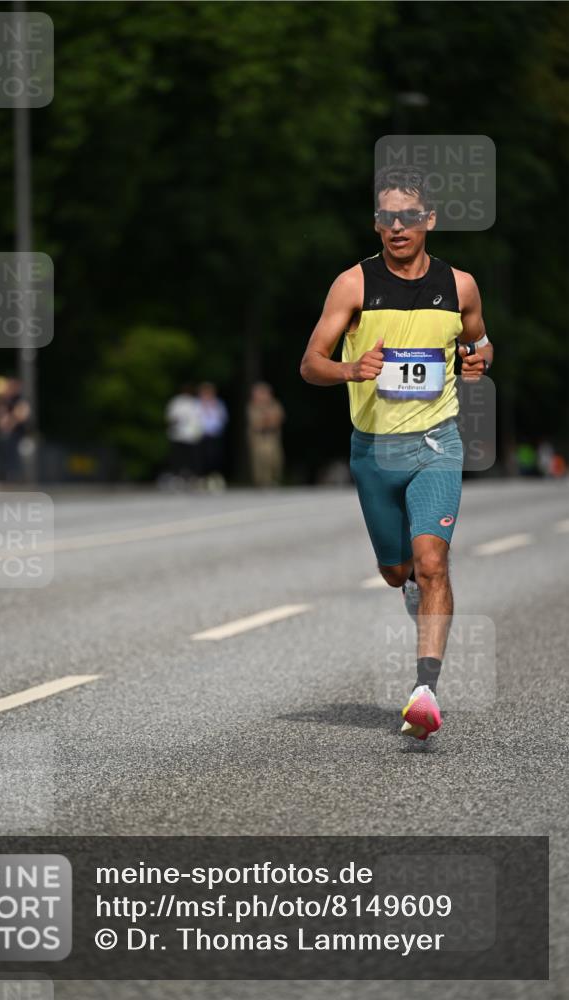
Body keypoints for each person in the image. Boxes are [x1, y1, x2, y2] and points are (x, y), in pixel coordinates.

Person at [300, 164, 494, 742]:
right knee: (396, 571)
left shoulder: (459, 285)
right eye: (388, 217)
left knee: (434, 562)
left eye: (410, 216)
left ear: (429, 220)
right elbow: (310, 362)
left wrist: (479, 361)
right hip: (374, 452)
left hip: (438, 442)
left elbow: (479, 343)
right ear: (377, 223)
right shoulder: (353, 285)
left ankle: (424, 690)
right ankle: (408, 583)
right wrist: (349, 368)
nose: (399, 227)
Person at [247, 382, 285, 487]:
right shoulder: (253, 406)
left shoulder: (274, 404)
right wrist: (268, 420)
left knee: (275, 459)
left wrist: (268, 420)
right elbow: (257, 423)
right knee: (260, 459)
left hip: (272, 436)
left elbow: (278, 419)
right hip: (259, 437)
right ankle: (262, 481)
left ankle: (274, 479)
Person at [165, 384, 203, 485]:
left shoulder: (194, 403)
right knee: (178, 458)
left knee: (191, 459)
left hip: (190, 436)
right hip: (178, 436)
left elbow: (198, 420)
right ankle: (177, 477)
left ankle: (192, 477)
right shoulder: (176, 402)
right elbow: (171, 418)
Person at [197, 382, 228, 490]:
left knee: (215, 457)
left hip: (215, 434)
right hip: (201, 435)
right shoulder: (197, 404)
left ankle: (215, 478)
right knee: (202, 458)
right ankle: (202, 479)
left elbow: (223, 418)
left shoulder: (218, 404)